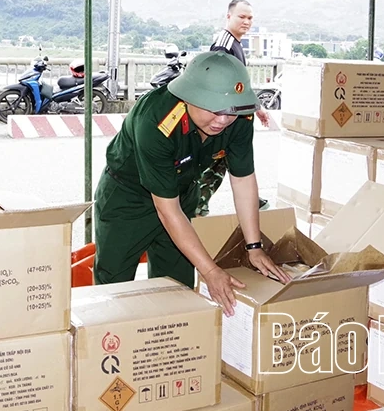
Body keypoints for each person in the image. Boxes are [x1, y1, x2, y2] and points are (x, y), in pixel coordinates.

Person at [93, 51, 290, 316]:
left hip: (182, 191)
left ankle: (169, 349)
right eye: (213, 109)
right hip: (128, 198)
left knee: (177, 290)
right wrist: (209, 270)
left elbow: (243, 180)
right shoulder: (156, 121)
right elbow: (166, 209)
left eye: (230, 111)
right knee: (114, 287)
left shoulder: (240, 116)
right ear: (189, 97)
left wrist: (253, 247)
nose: (222, 120)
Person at [206, 0, 269, 214]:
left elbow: (239, 83)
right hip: (224, 120)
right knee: (211, 169)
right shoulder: (223, 45)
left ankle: (250, 199)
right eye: (241, 17)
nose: (246, 22)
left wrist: (256, 107)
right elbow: (218, 84)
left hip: (235, 118)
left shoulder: (235, 43)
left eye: (250, 18)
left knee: (229, 165)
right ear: (228, 16)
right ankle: (195, 210)